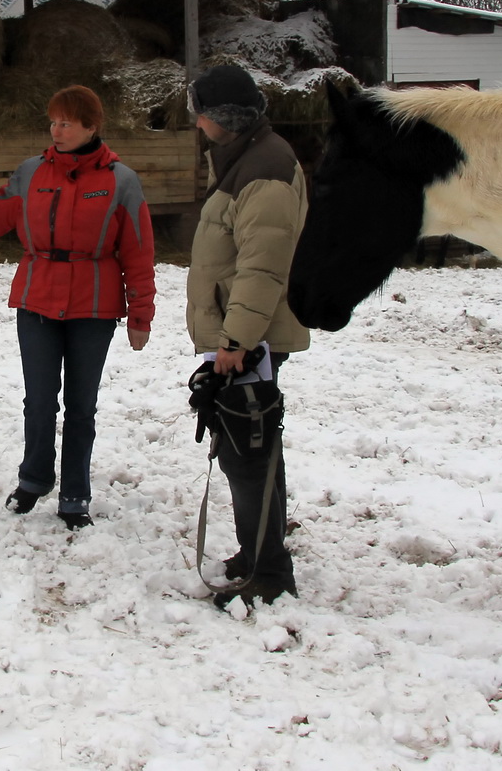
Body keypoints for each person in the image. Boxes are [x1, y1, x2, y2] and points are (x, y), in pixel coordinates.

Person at [0, 85, 155, 529]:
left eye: (66, 122)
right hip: (37, 298)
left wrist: (141, 315)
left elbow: (138, 251)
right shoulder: (31, 173)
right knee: (39, 401)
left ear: (91, 127)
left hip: (94, 307)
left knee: (82, 406)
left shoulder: (121, 181)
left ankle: (75, 494)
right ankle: (34, 479)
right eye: (53, 121)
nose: (56, 130)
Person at [185, 63, 309, 608]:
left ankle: (269, 572)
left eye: (202, 114)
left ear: (222, 119)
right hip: (242, 333)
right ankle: (258, 550)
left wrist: (236, 343)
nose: (196, 124)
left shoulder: (264, 170)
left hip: (249, 337)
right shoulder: (247, 157)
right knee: (252, 445)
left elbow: (262, 267)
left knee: (247, 451)